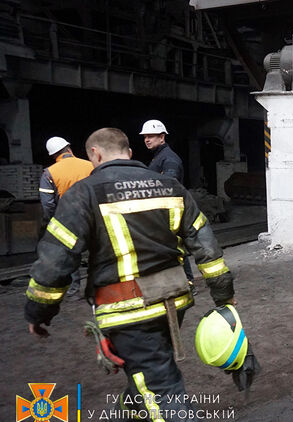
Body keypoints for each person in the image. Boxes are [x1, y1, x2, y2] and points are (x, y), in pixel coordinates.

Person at [25, 128, 236, 421]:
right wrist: (224, 295)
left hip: (127, 311)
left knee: (160, 389)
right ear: (130, 152)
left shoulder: (84, 193)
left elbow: (56, 260)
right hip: (174, 302)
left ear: (95, 154)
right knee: (148, 374)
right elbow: (205, 245)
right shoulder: (171, 187)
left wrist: (38, 312)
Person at [140, 119, 196, 295]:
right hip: (164, 210)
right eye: (145, 137)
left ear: (162, 137)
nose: (147, 140)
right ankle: (181, 282)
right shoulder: (159, 158)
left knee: (175, 247)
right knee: (171, 247)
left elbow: (169, 186)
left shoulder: (169, 159)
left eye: (151, 136)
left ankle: (188, 283)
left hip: (169, 211)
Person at [38, 136, 93, 297]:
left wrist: (52, 220)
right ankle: (95, 286)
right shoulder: (90, 165)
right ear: (69, 148)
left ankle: (74, 289)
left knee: (70, 253)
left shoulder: (49, 173)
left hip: (67, 220)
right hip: (92, 215)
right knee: (96, 250)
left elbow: (47, 204)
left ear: (53, 155)